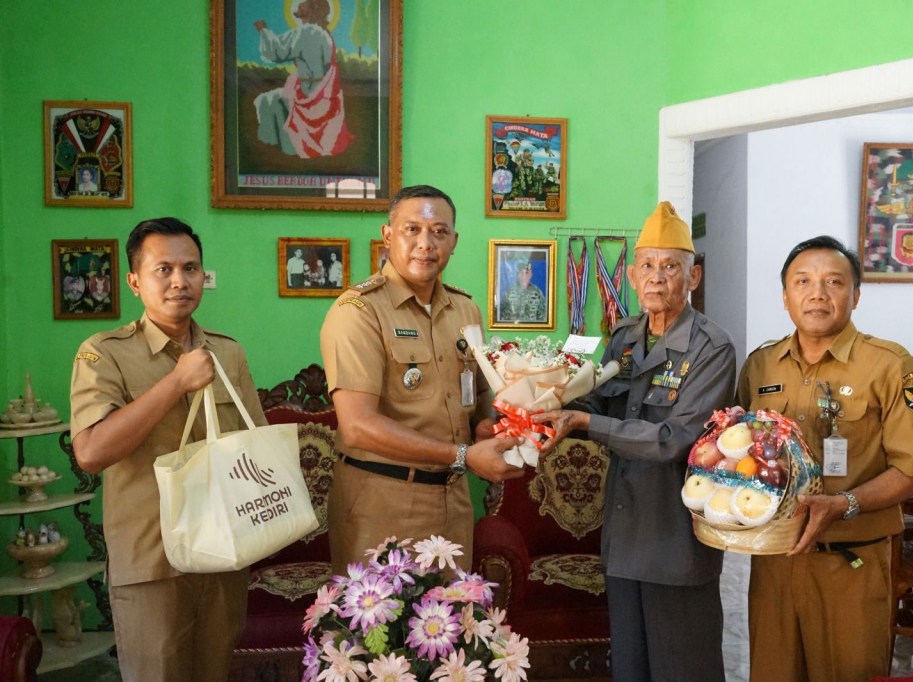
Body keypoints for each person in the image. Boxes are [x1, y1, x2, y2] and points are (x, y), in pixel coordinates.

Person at [536, 201, 735, 682]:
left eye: (672, 266)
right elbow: (599, 405)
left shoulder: (713, 348)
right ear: (630, 275)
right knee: (631, 669)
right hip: (624, 536)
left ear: (694, 277)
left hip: (676, 541)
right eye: (647, 265)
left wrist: (583, 424)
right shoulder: (624, 338)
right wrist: (547, 402)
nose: (657, 277)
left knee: (684, 670)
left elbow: (676, 439)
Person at [69, 217, 267, 681]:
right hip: (151, 560)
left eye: (191, 268)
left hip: (223, 555)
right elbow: (92, 452)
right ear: (134, 281)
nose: (180, 280)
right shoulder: (103, 353)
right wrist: (176, 381)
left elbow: (253, 446)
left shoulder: (228, 352)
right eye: (164, 270)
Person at [737, 235, 913, 682]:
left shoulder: (891, 366)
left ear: (856, 295)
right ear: (785, 296)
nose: (817, 294)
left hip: (852, 560)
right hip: (776, 559)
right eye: (802, 281)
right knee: (772, 673)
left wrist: (844, 504)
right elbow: (739, 455)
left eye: (834, 282)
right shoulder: (760, 366)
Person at [319, 184, 524, 572]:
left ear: (454, 240)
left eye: (439, 232)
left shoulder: (465, 310)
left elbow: (480, 393)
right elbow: (358, 426)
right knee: (381, 627)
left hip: (452, 498)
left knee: (449, 625)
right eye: (412, 229)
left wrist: (490, 427)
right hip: (382, 501)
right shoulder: (359, 312)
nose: (426, 243)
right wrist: (463, 454)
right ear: (388, 235)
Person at [253, 0, 354, 158]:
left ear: (312, 10)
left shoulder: (307, 32)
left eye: (304, 4)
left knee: (265, 100)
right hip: (324, 94)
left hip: (310, 95)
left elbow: (276, 52)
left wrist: (263, 30)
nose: (299, 5)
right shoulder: (324, 33)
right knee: (274, 98)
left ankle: (277, 149)